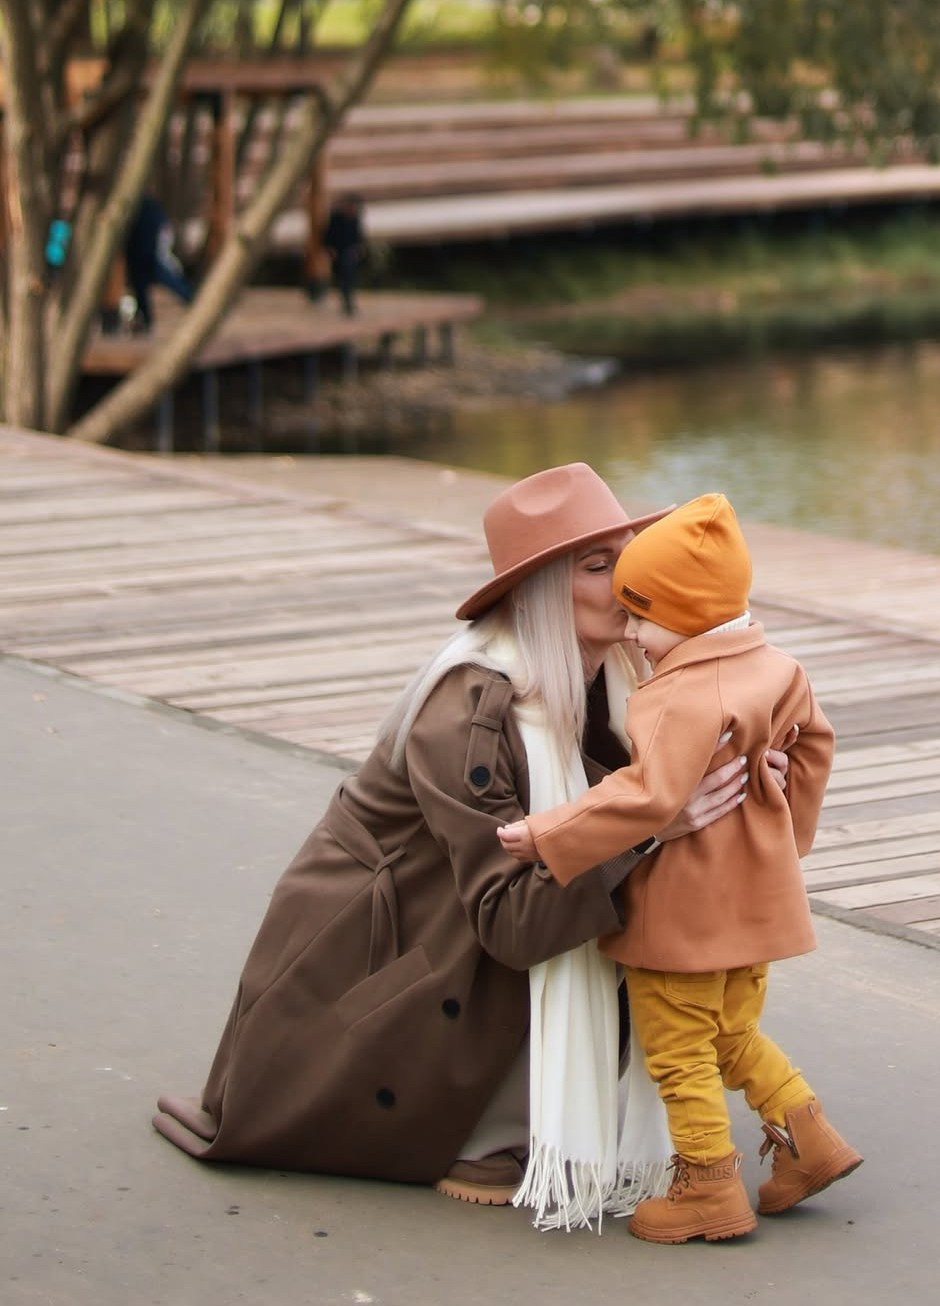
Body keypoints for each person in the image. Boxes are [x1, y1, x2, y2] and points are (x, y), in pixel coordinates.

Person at [152, 463, 791, 1226]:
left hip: (465, 937)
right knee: (604, 881)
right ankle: (491, 1126)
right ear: (538, 593)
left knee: (650, 885)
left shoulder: (631, 686)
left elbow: (664, 821)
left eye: (627, 553)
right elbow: (511, 923)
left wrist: (743, 774)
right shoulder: (470, 710)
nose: (629, 576)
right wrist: (653, 826)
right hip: (380, 962)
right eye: (599, 565)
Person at [498, 492, 863, 1244]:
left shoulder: (675, 698)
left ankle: (707, 1187)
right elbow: (815, 748)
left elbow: (646, 796)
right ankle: (811, 1140)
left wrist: (547, 832)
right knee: (731, 1033)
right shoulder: (779, 667)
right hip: (756, 904)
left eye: (640, 616)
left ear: (686, 615)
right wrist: (786, 833)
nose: (630, 632)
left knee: (677, 1051)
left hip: (685, 913)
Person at [124, 193, 194, 332]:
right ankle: (145, 318)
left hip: (147, 252)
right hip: (140, 252)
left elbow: (160, 232)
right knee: (142, 286)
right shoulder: (142, 206)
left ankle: (192, 298)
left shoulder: (145, 207)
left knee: (164, 278)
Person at [322, 192, 365, 315]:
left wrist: (358, 248)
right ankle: (346, 301)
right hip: (339, 251)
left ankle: (349, 301)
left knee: (350, 277)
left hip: (349, 252)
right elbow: (329, 235)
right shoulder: (336, 218)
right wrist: (330, 248)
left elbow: (358, 236)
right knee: (343, 277)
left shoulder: (355, 219)